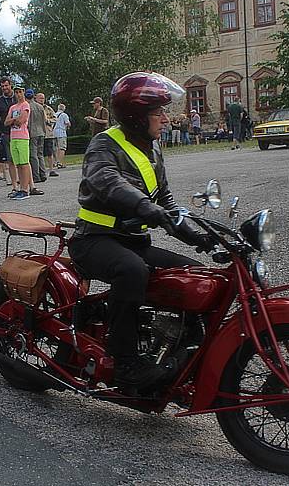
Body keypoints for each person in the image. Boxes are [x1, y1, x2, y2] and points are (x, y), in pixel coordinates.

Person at [68, 71, 210, 391]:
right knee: (133, 271)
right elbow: (107, 181)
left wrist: (199, 237)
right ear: (136, 116)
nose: (165, 118)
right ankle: (125, 363)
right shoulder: (103, 144)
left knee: (196, 274)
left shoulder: (152, 149)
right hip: (93, 240)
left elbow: (168, 204)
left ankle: (180, 346)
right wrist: (148, 208)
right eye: (158, 112)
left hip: (133, 240)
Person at [5, 86, 39, 200]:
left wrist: (13, 120)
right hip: (13, 137)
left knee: (24, 163)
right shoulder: (13, 107)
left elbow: (22, 120)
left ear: (23, 93)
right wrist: (14, 120)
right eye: (16, 92)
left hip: (22, 137)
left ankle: (25, 189)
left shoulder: (25, 105)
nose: (18, 94)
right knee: (18, 164)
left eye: (20, 92)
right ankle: (21, 188)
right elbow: (6, 122)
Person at [0, 76, 18, 192]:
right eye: (2, 86)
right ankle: (14, 184)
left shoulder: (18, 97)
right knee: (10, 159)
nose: (4, 88)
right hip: (6, 133)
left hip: (20, 132)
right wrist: (0, 132)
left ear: (10, 85)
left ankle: (25, 183)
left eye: (6, 85)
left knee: (23, 159)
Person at [26, 89, 47, 184]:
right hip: (41, 132)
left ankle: (36, 175)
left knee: (33, 155)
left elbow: (29, 122)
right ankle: (43, 174)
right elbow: (44, 120)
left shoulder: (28, 107)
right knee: (40, 154)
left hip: (33, 133)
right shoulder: (40, 107)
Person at [37, 92, 59, 177]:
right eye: (40, 98)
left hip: (48, 133)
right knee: (39, 153)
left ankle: (51, 170)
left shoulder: (48, 108)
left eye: (43, 98)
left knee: (50, 152)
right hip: (38, 133)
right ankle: (40, 170)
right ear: (36, 98)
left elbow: (55, 118)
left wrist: (48, 121)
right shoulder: (34, 108)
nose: (42, 100)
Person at [53, 103, 71, 168]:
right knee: (62, 148)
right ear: (64, 109)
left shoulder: (54, 114)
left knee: (55, 148)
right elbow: (67, 123)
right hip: (61, 132)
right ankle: (59, 163)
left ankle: (55, 162)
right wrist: (68, 126)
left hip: (53, 133)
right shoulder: (64, 115)